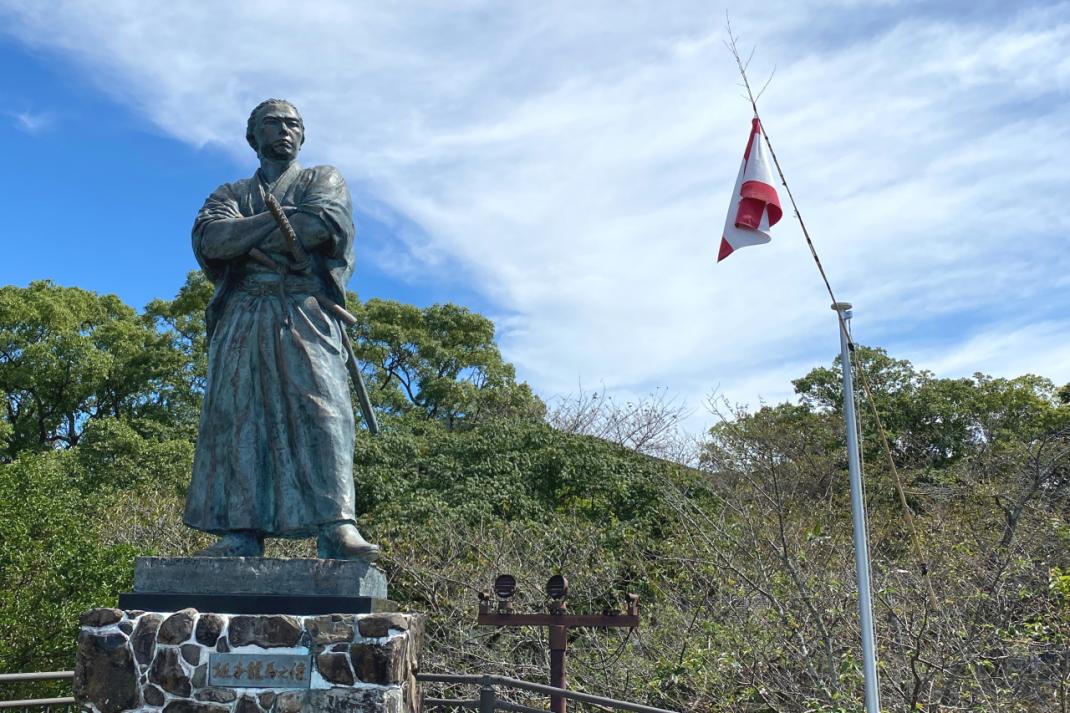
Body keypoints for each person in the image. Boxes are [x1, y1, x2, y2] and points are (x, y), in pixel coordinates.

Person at [183, 98, 378, 560]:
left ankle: (337, 526)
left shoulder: (322, 179)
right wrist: (270, 226)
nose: (284, 130)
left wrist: (245, 236)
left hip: (305, 307)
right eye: (272, 124)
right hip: (243, 313)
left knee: (323, 410)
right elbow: (212, 240)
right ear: (253, 137)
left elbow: (319, 227)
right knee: (238, 416)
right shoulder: (228, 193)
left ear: (303, 135)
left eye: (293, 124)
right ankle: (240, 532)